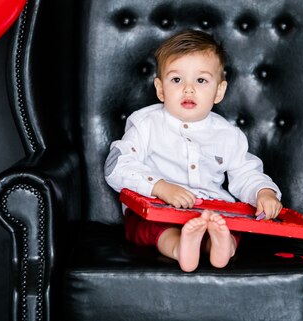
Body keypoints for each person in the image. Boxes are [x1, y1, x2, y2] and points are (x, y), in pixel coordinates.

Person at [104, 29, 282, 272]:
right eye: (177, 80)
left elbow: (245, 172)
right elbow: (117, 165)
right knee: (150, 227)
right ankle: (180, 247)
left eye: (201, 80)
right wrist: (160, 187)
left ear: (218, 91)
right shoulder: (146, 124)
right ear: (160, 89)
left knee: (230, 226)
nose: (188, 89)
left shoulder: (228, 135)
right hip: (158, 209)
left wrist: (264, 192)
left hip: (211, 211)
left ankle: (222, 246)